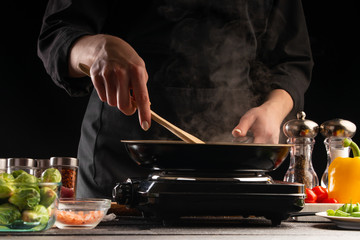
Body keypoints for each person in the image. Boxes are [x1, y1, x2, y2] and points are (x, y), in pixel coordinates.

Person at [38, 0, 313, 198]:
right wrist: (95, 47)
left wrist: (272, 110)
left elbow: (292, 60)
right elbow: (57, 35)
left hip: (232, 157)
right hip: (123, 153)